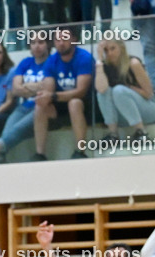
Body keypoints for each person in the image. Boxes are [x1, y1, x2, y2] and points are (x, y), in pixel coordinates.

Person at [0, 36, 51, 164]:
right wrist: (35, 86)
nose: (37, 46)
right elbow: (15, 89)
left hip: (42, 107)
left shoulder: (52, 62)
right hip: (24, 107)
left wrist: (26, 86)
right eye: (33, 43)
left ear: (48, 45)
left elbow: (48, 88)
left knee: (17, 129)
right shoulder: (26, 62)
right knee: (7, 131)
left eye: (41, 42)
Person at [32, 27, 93, 161]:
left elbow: (81, 91)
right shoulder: (51, 61)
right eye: (57, 40)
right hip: (61, 105)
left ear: (73, 40)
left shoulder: (84, 57)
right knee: (39, 106)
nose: (61, 43)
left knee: (74, 103)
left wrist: (52, 96)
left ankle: (80, 151)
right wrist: (44, 96)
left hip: (86, 106)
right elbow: (48, 91)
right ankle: (40, 154)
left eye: (64, 39)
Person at [95, 39, 155, 144]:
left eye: (113, 48)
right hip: (124, 115)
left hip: (148, 110)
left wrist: (128, 88)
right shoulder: (104, 66)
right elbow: (101, 89)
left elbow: (148, 94)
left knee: (118, 90)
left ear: (121, 48)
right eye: (106, 50)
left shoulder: (133, 63)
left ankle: (141, 132)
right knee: (103, 92)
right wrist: (99, 60)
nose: (110, 53)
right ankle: (113, 134)